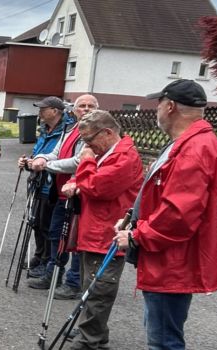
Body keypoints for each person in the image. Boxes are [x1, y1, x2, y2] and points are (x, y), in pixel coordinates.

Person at [115, 79, 217, 350]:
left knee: (164, 341)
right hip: (167, 257)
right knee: (162, 334)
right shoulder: (184, 144)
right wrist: (133, 215)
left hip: (171, 261)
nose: (157, 110)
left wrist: (137, 236)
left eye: (159, 104)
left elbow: (179, 215)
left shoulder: (193, 149)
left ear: (171, 106)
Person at [59, 110, 142, 350]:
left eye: (88, 140)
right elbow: (92, 183)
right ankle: (94, 332)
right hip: (94, 229)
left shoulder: (125, 157)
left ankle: (89, 340)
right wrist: (78, 184)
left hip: (106, 234)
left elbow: (97, 187)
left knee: (98, 290)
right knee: (90, 287)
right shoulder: (109, 154)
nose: (87, 146)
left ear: (107, 132)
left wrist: (85, 161)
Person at [26, 94, 99, 300]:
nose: (85, 109)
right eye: (81, 106)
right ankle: (52, 274)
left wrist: (47, 165)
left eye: (90, 106)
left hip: (79, 193)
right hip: (61, 191)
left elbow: (77, 161)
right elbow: (57, 152)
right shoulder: (71, 130)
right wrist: (41, 158)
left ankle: (73, 282)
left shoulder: (95, 133)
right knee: (56, 234)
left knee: (75, 239)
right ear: (74, 110)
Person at [17, 96, 75, 276]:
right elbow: (38, 153)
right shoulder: (44, 130)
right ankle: (39, 254)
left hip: (52, 184)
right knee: (36, 221)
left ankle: (46, 260)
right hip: (38, 180)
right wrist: (27, 161)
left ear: (55, 111)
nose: (40, 112)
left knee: (48, 225)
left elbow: (57, 156)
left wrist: (42, 163)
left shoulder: (65, 130)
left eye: (43, 109)